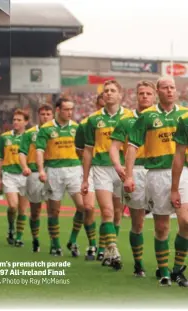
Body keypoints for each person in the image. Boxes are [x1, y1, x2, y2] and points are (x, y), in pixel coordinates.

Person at [124, 77, 188, 286]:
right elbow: (132, 145)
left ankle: (178, 268)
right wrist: (130, 174)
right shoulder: (147, 116)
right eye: (165, 88)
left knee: (186, 222)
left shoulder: (185, 115)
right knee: (161, 227)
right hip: (156, 174)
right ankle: (164, 271)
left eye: (172, 87)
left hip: (183, 173)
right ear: (157, 91)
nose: (170, 91)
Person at [81, 80, 130, 270]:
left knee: (117, 214)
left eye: (112, 91)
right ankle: (113, 249)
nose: (108, 93)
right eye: (106, 91)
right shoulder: (93, 120)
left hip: (123, 169)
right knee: (107, 212)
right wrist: (85, 178)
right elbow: (87, 151)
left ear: (120, 95)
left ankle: (108, 252)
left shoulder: (129, 117)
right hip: (101, 168)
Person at [109, 80, 156, 276]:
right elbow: (113, 147)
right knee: (138, 223)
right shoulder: (126, 120)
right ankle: (138, 264)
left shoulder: (162, 119)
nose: (144, 96)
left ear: (154, 96)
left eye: (148, 93)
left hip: (158, 171)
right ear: (136, 96)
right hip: (135, 171)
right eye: (141, 93)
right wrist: (119, 166)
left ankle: (164, 267)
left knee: (164, 222)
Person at [36, 98, 86, 256]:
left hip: (74, 169)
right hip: (54, 171)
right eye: (66, 109)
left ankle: (72, 240)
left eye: (72, 109)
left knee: (83, 207)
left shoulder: (77, 128)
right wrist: (41, 170)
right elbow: (39, 150)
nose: (70, 113)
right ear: (58, 110)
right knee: (54, 211)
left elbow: (82, 151)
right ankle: (55, 244)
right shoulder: (46, 129)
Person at [19, 104, 54, 252]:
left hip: (52, 171)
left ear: (52, 115)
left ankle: (55, 243)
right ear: (38, 116)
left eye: (48, 114)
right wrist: (25, 166)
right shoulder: (29, 134)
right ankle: (35, 239)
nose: (45, 117)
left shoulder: (57, 131)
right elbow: (22, 152)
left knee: (53, 210)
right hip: (34, 174)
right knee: (35, 211)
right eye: (43, 114)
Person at [74, 92, 105, 260]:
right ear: (96, 106)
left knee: (110, 212)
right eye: (100, 106)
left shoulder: (120, 122)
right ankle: (92, 245)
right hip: (91, 169)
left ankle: (104, 247)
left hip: (109, 169)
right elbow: (78, 148)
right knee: (88, 207)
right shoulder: (86, 123)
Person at [0, 109, 29, 247]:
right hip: (9, 174)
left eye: (19, 120)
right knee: (13, 206)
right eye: (14, 119)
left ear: (26, 122)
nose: (15, 122)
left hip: (26, 176)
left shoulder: (31, 137)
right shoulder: (5, 137)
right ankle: (11, 228)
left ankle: (19, 237)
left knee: (22, 209)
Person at [170, 111, 188, 286]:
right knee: (185, 221)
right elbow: (179, 154)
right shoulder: (185, 121)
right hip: (186, 174)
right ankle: (177, 269)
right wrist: (174, 189)